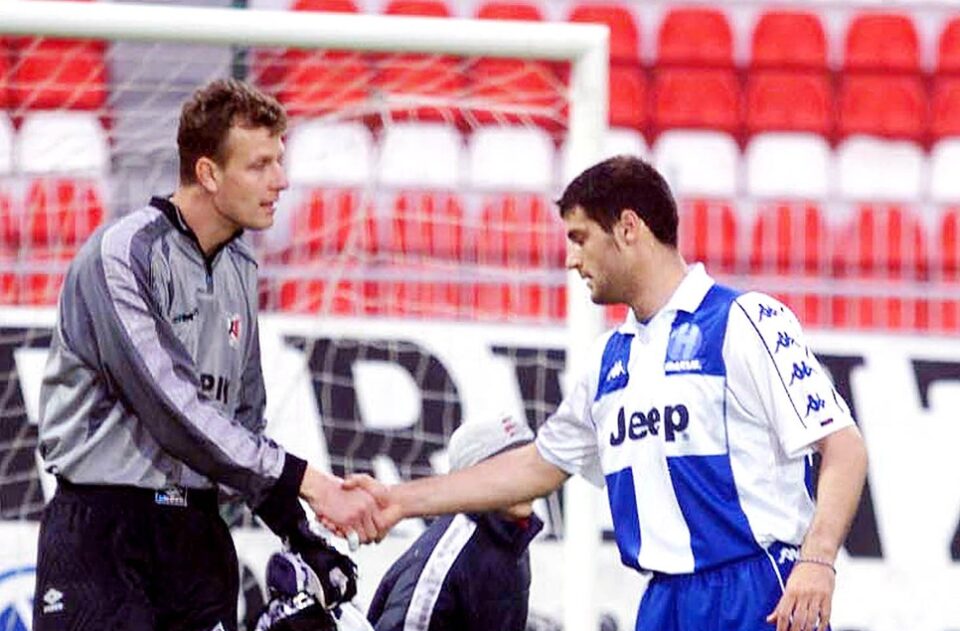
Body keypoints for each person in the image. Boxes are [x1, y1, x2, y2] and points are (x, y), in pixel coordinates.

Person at [343, 156, 869, 631]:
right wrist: (398, 502)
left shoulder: (744, 320)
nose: (572, 259)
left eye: (580, 238)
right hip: (662, 602)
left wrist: (817, 560)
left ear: (628, 227)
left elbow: (843, 446)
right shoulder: (607, 360)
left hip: (756, 594)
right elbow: (537, 466)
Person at [32, 78, 378, 631]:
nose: (281, 180)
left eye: (280, 161)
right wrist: (310, 483)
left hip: (196, 536)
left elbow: (241, 427)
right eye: (260, 165)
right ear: (208, 174)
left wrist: (298, 532)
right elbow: (174, 410)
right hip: (104, 533)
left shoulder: (241, 268)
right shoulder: (122, 255)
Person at [366, 414, 544, 631]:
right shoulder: (445, 561)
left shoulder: (513, 534)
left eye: (529, 465)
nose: (524, 480)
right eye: (506, 468)